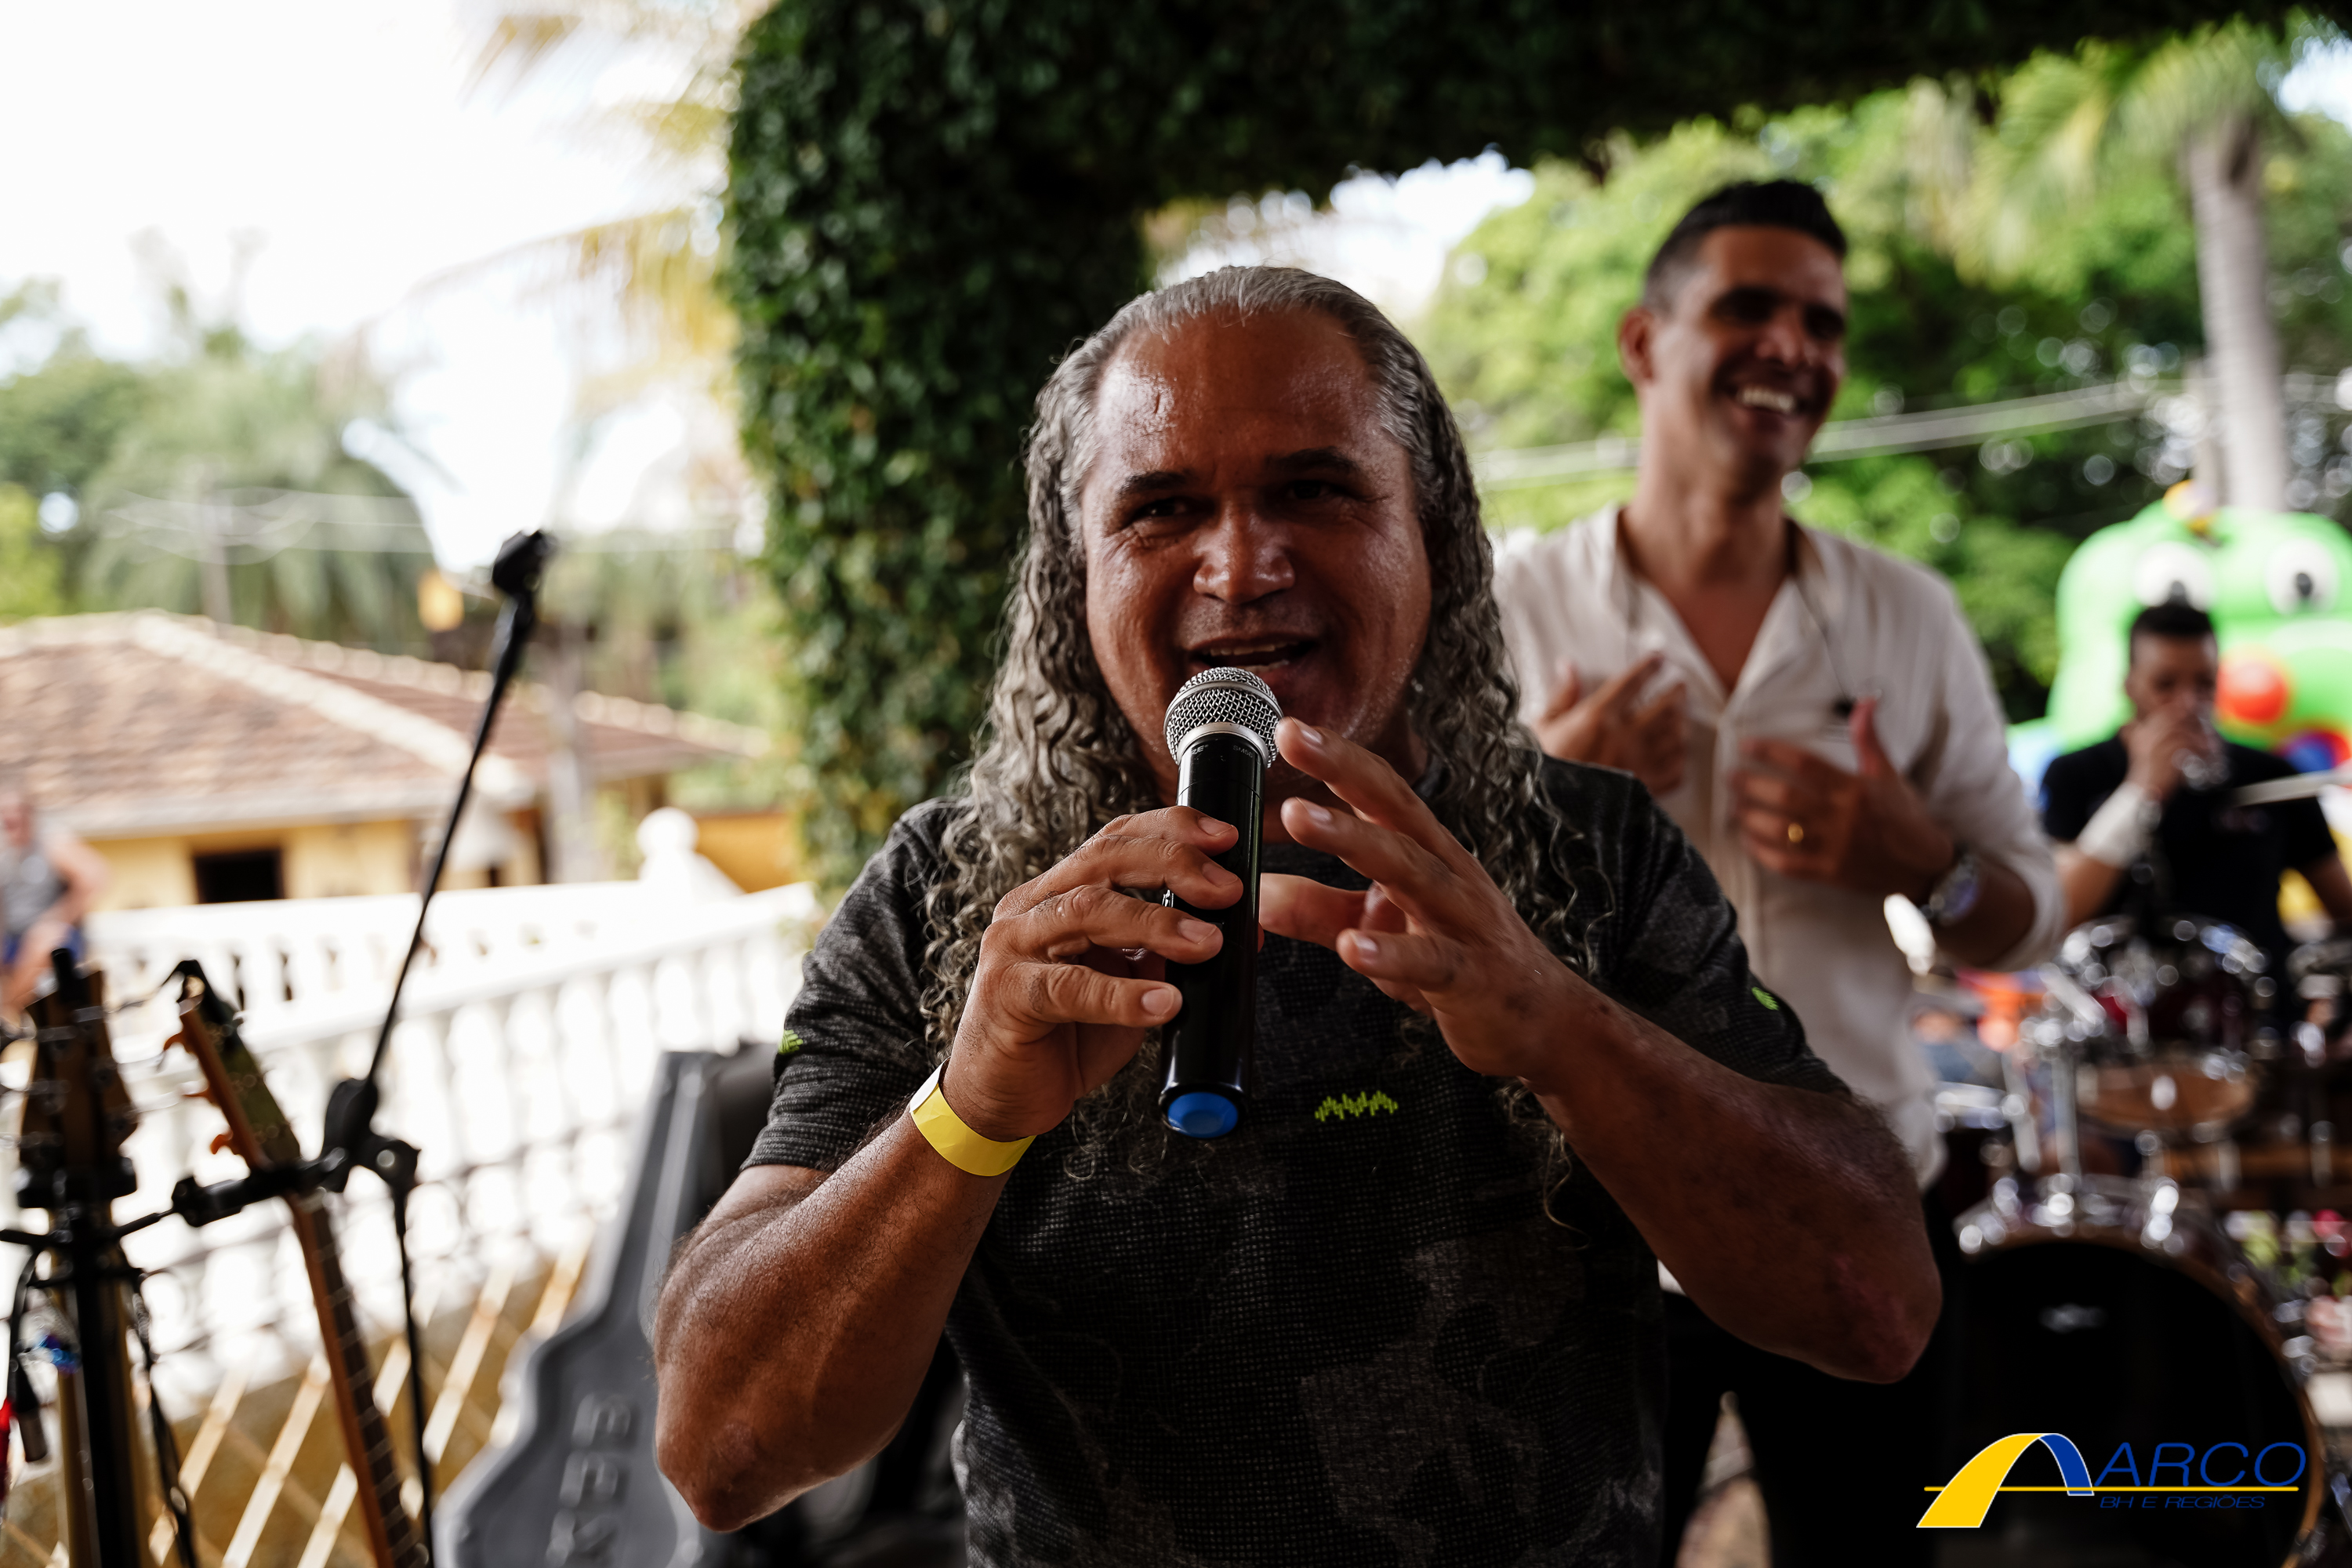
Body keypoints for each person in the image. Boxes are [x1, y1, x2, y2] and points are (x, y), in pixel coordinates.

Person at [652, 266, 1939, 1565]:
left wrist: (1561, 1027)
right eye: (1161, 510)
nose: (1243, 567)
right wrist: (968, 1111)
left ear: (1433, 539)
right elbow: (721, 1453)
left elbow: (1876, 1312)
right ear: (1076, 576)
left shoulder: (1593, 853)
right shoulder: (945, 893)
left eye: (1315, 491)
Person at [1489, 181, 2064, 1561]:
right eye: (1749, 307)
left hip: (1857, 1212)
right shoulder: (1510, 611)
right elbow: (1408, 918)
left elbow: (2027, 923)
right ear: (1645, 342)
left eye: (1824, 322)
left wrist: (1918, 858)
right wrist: (1547, 797)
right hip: (1588, 1228)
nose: (1794, 347)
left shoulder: (1907, 614)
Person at [2042, 600, 2352, 960]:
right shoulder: (2076, 774)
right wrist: (2141, 790)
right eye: (2165, 684)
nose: (2188, 703)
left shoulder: (2270, 774)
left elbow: (2342, 906)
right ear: (2130, 685)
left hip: (2259, 991)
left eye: (2204, 684)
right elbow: (2059, 915)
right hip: (2119, 991)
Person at [1, 780, 107, 1017]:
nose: (8, 817)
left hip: (56, 938)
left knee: (43, 941)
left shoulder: (53, 843)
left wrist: (57, 918)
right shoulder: (5, 853)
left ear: (28, 813)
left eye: (14, 810)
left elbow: (96, 878)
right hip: (15, 939)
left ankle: (11, 1012)